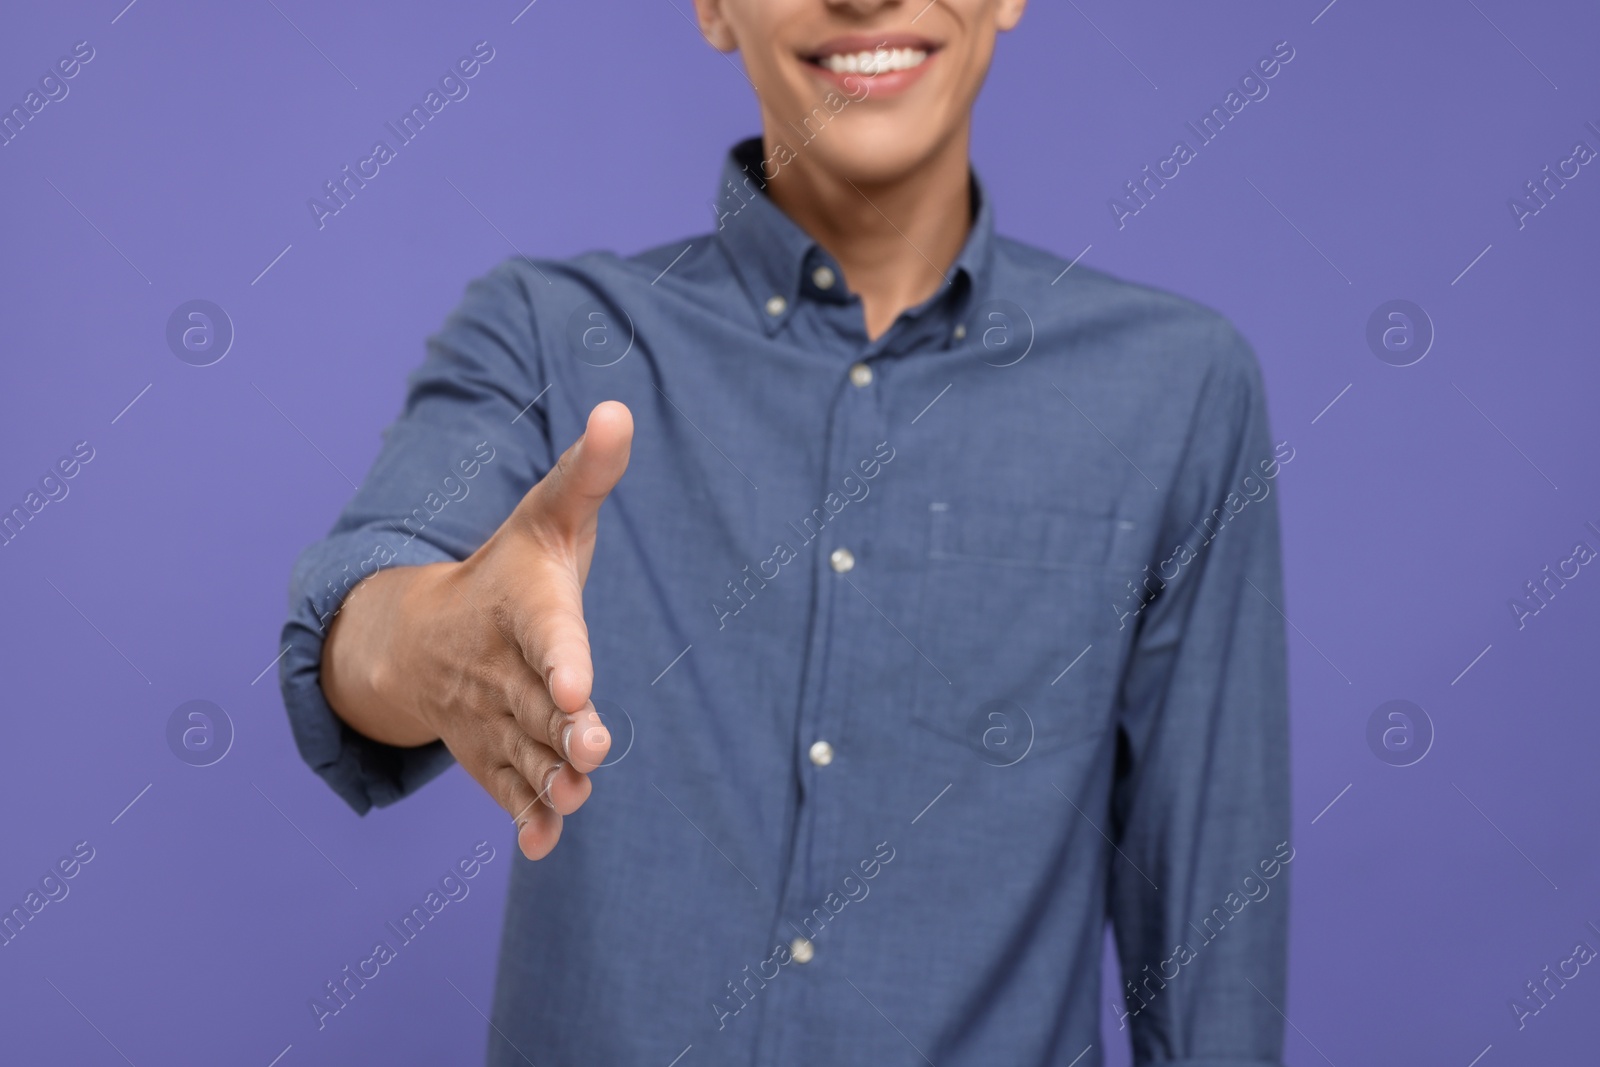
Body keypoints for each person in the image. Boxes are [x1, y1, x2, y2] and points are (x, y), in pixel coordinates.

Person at [278, 0, 1293, 1063]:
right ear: (713, 8)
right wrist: (437, 639)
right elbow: (358, 613)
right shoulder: (546, 334)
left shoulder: (1177, 391)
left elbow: (1210, 944)